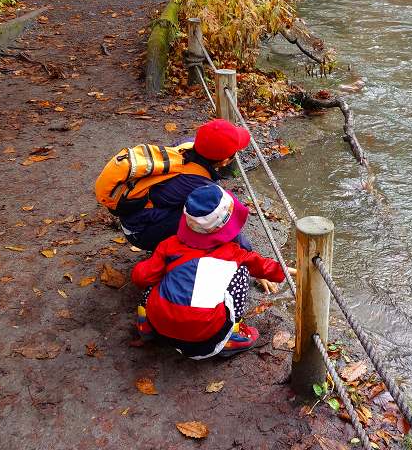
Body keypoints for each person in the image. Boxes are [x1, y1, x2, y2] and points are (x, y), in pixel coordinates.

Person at [130, 184, 295, 359]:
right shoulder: (234, 253)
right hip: (205, 334)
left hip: (161, 325)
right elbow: (264, 266)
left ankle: (145, 325)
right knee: (242, 273)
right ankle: (231, 336)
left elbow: (141, 277)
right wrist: (291, 271)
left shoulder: (169, 245)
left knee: (154, 278)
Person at [119, 119, 251, 252]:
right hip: (139, 233)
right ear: (224, 161)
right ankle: (173, 256)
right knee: (207, 220)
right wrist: (245, 250)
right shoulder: (200, 185)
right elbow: (222, 220)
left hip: (132, 216)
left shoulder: (187, 144)